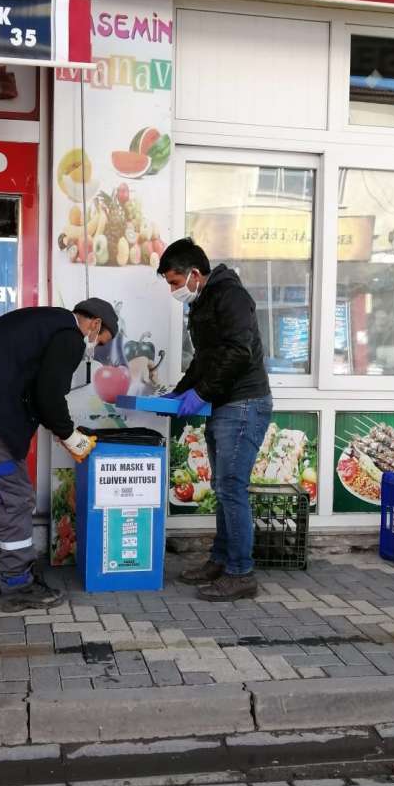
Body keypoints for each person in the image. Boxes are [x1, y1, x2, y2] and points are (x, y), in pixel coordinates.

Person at [0, 297, 118, 611]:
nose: (95, 347)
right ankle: (17, 584)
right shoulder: (69, 334)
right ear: (95, 323)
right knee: (12, 497)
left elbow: (32, 389)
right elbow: (48, 394)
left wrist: (57, 427)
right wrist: (69, 435)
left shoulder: (39, 320)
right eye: (100, 341)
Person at [158, 239, 272, 601]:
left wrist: (201, 394)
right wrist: (180, 393)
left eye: (175, 282)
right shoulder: (204, 303)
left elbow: (240, 351)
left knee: (230, 489)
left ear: (194, 274)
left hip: (244, 403)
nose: (174, 290)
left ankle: (241, 573)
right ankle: (221, 559)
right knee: (224, 491)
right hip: (224, 405)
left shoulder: (231, 297)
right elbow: (204, 359)